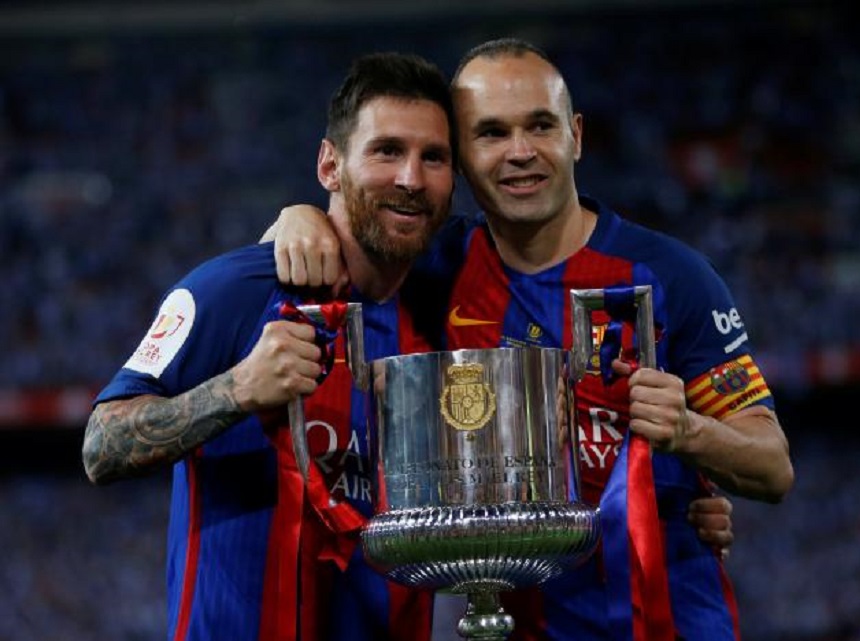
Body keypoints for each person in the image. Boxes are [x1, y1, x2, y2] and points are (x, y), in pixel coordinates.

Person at [269, 38, 793, 641]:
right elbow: (334, 249)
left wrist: (689, 432)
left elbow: (773, 467)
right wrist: (299, 217)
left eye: (540, 125)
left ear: (575, 135)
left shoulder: (671, 276)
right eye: (491, 133)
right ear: (461, 159)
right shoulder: (436, 268)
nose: (521, 152)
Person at [82, 52, 456, 641]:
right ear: (330, 165)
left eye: (433, 157)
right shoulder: (232, 290)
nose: (411, 178)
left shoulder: (445, 309)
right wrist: (237, 388)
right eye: (386, 151)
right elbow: (101, 446)